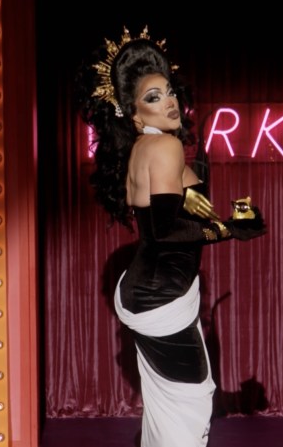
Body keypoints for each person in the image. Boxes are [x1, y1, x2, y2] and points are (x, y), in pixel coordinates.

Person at [76, 26, 267, 446]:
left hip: (151, 292)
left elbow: (177, 217)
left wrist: (228, 216)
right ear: (133, 112)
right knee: (191, 404)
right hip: (160, 296)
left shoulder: (147, 148)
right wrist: (232, 230)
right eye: (153, 97)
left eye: (168, 91)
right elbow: (165, 231)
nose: (169, 102)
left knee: (169, 408)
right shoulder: (164, 149)